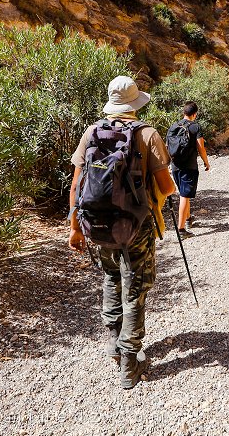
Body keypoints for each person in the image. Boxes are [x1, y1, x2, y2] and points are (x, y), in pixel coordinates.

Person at [68, 76, 175, 389]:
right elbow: (167, 186)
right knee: (136, 288)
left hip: (97, 226)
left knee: (112, 278)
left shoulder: (91, 132)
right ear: (134, 104)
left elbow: (76, 186)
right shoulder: (147, 134)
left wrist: (75, 229)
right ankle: (130, 364)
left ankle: (115, 345)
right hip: (138, 226)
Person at [168, 101, 210, 238]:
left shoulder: (174, 126)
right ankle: (181, 230)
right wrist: (206, 162)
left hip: (175, 165)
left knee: (183, 193)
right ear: (195, 114)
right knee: (184, 196)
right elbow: (201, 147)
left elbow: (167, 145)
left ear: (183, 113)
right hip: (189, 166)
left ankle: (188, 219)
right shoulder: (195, 127)